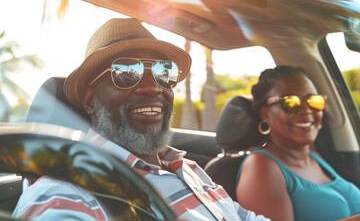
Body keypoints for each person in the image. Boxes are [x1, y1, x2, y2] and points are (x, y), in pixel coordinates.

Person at [13, 18, 269, 221]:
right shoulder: (64, 195)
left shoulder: (187, 168)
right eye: (126, 72)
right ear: (91, 101)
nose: (153, 87)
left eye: (163, 72)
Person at [235, 65, 360, 221]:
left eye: (313, 101)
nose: (306, 110)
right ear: (265, 113)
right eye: (291, 102)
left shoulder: (316, 157)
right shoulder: (260, 166)